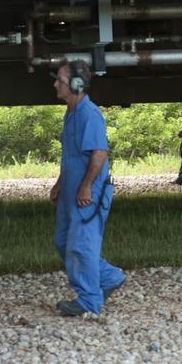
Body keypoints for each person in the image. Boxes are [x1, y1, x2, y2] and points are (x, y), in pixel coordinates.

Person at [49, 60, 125, 317]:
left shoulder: (89, 114)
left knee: (81, 246)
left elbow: (99, 154)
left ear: (76, 84)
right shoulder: (71, 113)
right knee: (62, 241)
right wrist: (59, 184)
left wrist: (85, 188)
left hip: (86, 194)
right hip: (70, 192)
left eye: (59, 79)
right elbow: (71, 155)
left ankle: (89, 301)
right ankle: (110, 276)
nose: (55, 84)